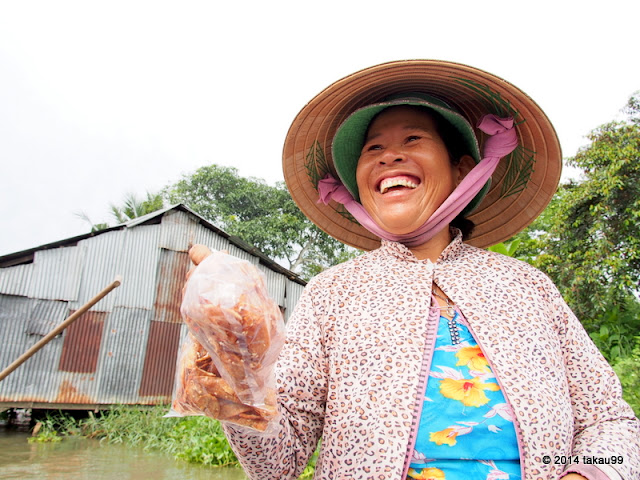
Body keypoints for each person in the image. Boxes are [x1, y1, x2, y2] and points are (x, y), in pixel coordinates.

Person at [187, 60, 640, 480]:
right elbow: (278, 464)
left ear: (462, 168)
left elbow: (612, 425)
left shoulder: (529, 287)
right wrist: (239, 363)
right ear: (359, 187)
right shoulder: (333, 293)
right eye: (374, 148)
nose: (389, 157)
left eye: (412, 140)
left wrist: (583, 475)